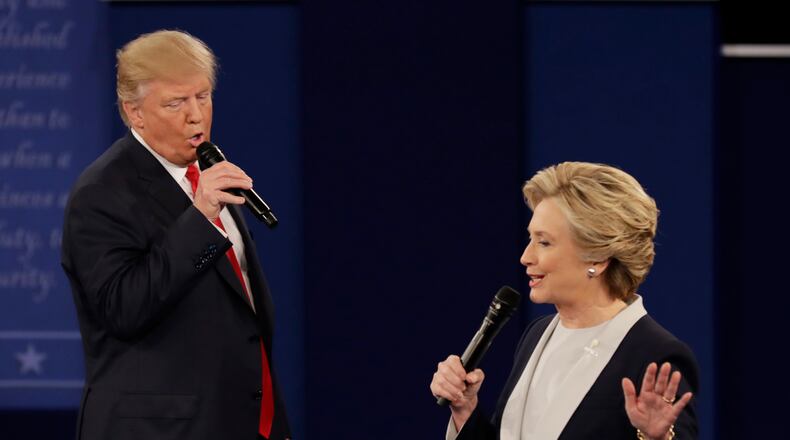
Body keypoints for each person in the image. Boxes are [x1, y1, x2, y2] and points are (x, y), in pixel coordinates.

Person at [61, 30, 290, 440]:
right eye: (175, 103)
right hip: (159, 430)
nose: (196, 115)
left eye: (203, 97)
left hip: (240, 422)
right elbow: (123, 309)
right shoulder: (101, 192)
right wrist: (200, 218)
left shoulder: (206, 173)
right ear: (135, 113)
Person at [430, 162, 699, 440]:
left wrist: (657, 438)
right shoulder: (537, 334)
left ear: (597, 257)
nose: (526, 257)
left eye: (544, 242)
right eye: (530, 239)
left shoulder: (655, 355)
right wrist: (465, 410)